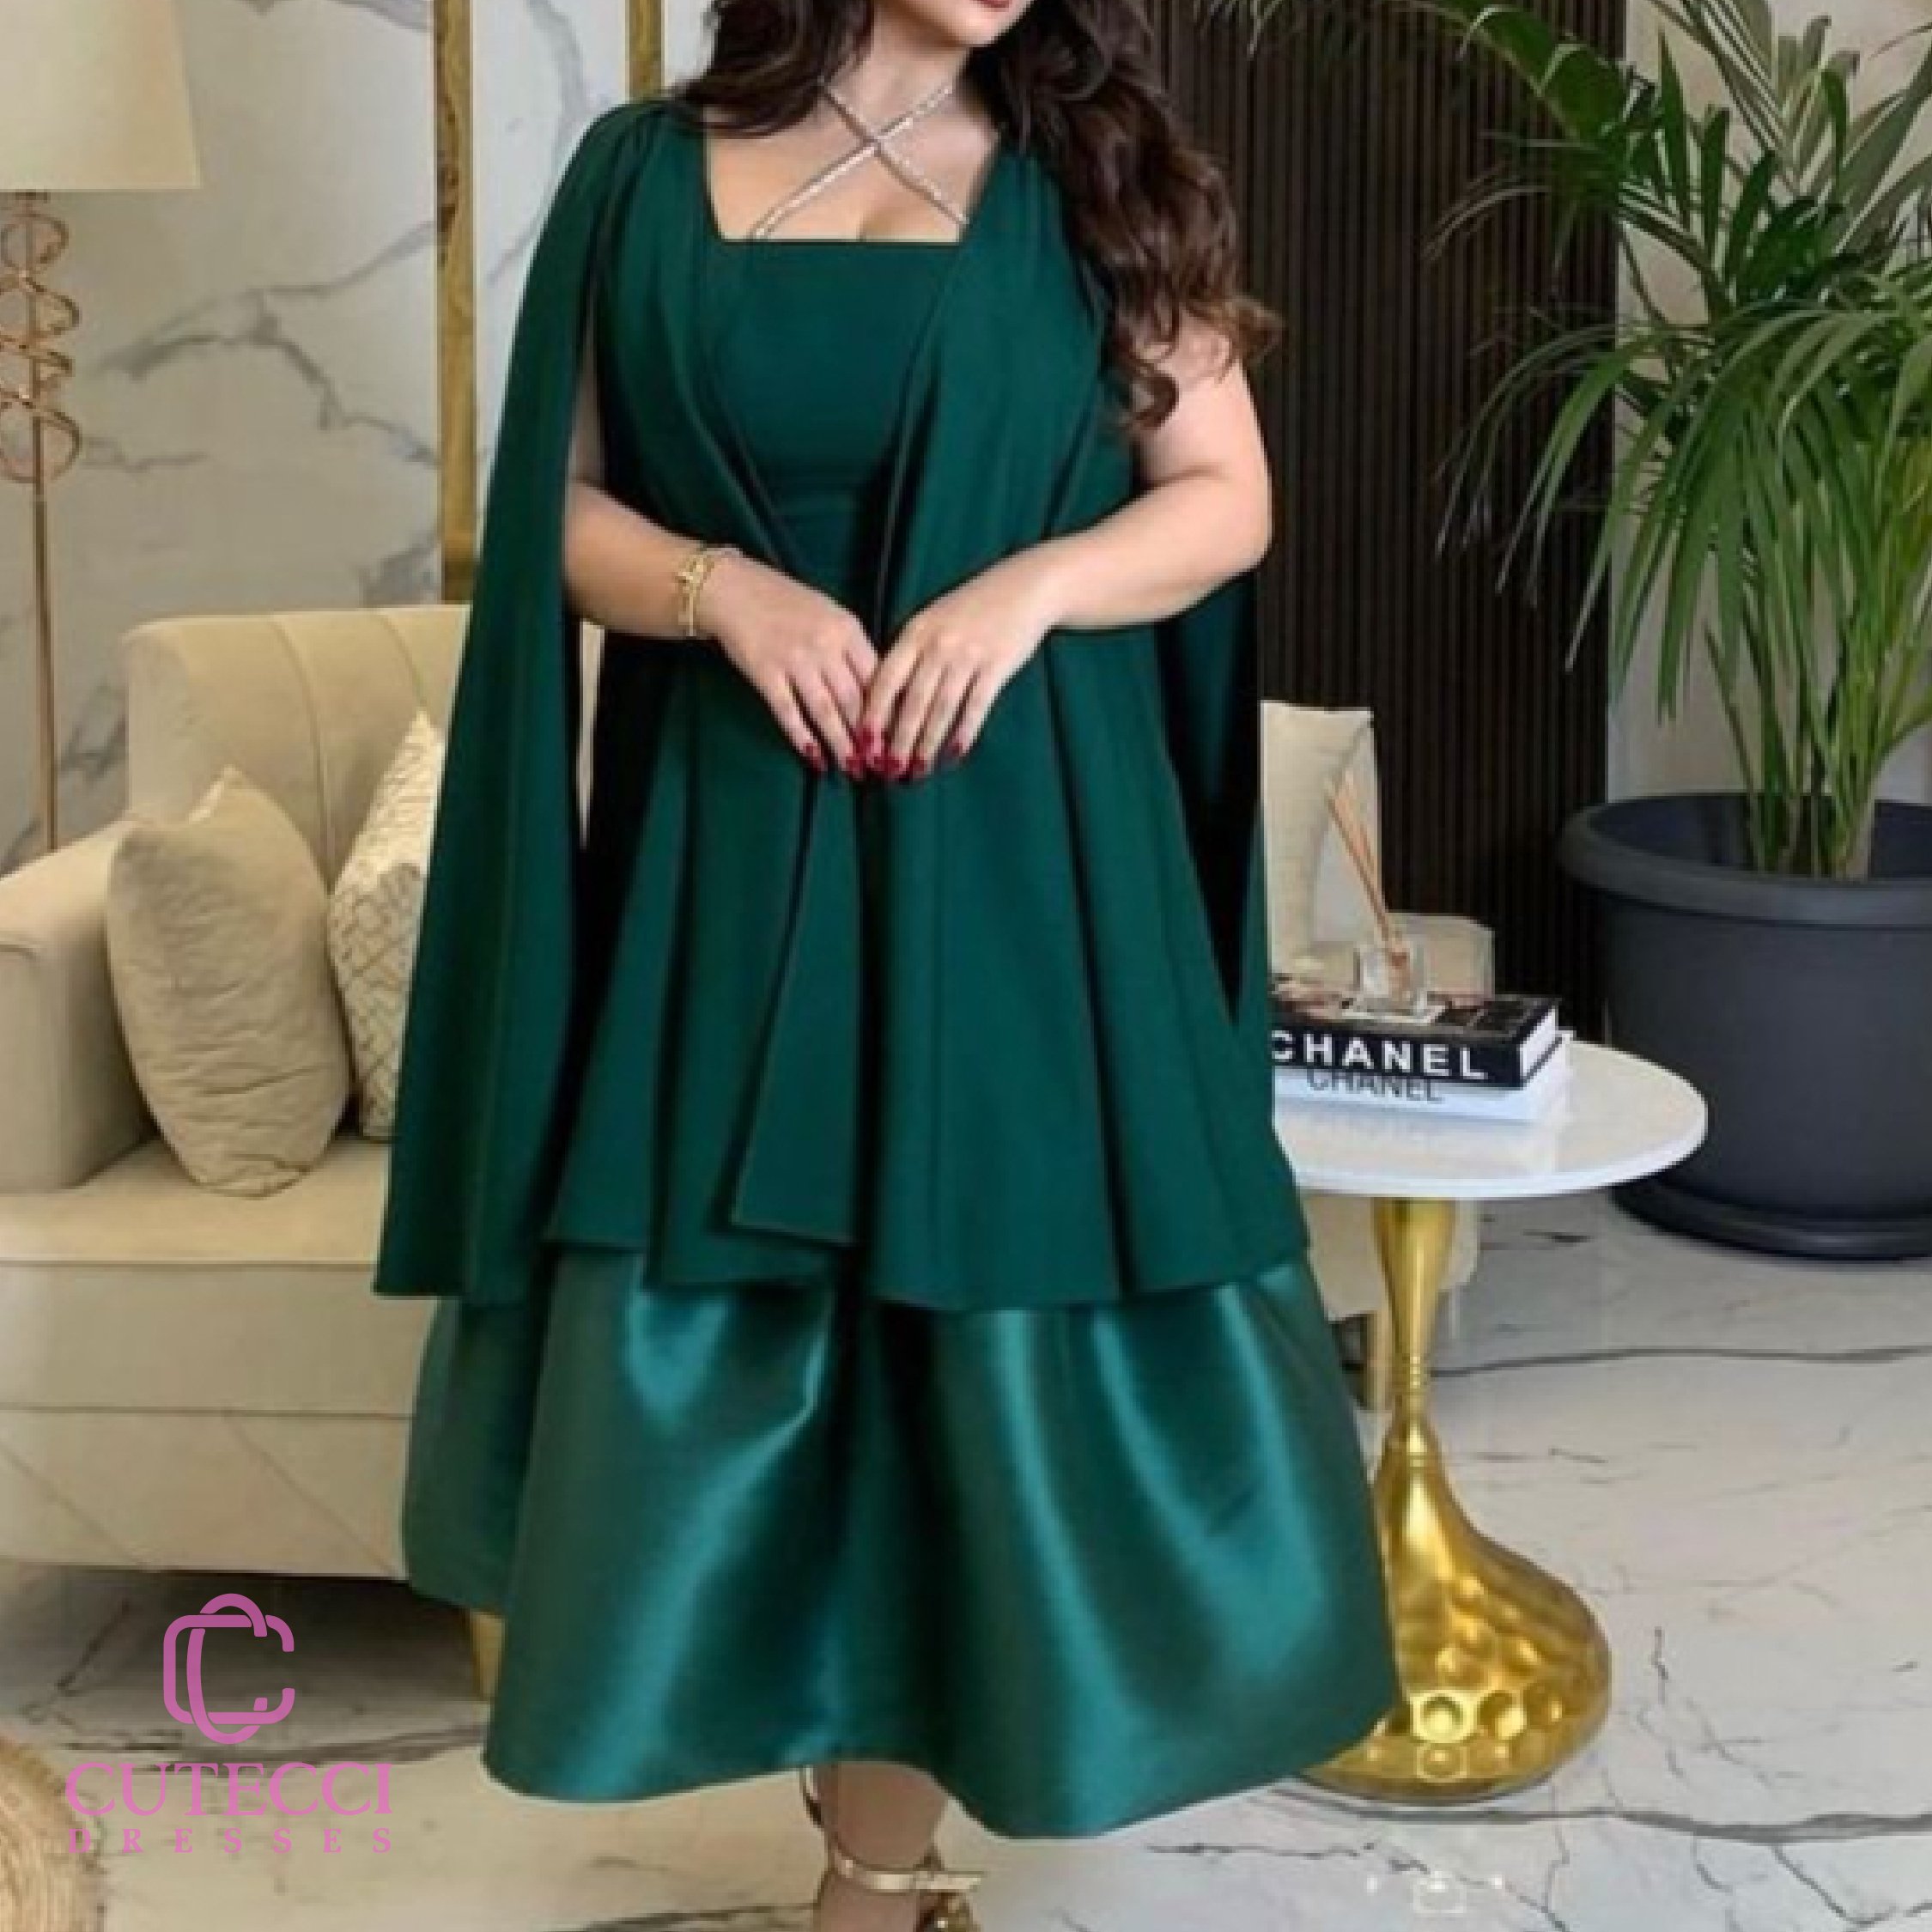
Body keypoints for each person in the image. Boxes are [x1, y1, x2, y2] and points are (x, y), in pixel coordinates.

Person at [369, 1, 1399, 1925]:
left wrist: (1027, 590)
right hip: (727, 850)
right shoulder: (637, 179)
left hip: (1024, 858)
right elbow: (549, 509)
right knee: (756, 1344)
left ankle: (882, 1872)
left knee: (966, 1353)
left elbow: (1223, 500)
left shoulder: (1099, 174)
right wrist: (723, 592)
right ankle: (852, 1826)